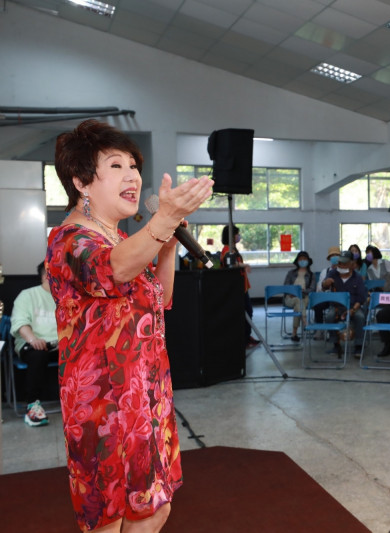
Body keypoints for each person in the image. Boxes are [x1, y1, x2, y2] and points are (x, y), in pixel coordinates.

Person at [46, 119, 213, 532]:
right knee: (110, 521)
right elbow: (114, 271)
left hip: (144, 399)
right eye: (116, 166)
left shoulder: (121, 239)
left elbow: (161, 298)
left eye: (134, 166)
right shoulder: (69, 241)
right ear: (81, 182)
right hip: (104, 408)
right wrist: (161, 223)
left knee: (155, 510)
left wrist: (168, 242)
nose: (133, 176)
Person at [10, 261, 58, 427]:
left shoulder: (66, 298)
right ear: (46, 276)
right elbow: (20, 323)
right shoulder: (27, 295)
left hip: (58, 344)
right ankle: (32, 406)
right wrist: (33, 339)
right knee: (38, 355)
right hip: (32, 343)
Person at [321, 250, 367, 355]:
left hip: (353, 306)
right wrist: (325, 283)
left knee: (360, 316)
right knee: (329, 316)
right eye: (340, 263)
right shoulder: (332, 273)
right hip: (337, 306)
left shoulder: (357, 278)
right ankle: (335, 344)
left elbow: (361, 298)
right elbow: (324, 287)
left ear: (352, 264)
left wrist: (353, 310)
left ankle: (359, 346)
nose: (341, 266)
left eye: (345, 263)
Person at [221, 225, 258, 348]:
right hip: (235, 288)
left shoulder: (233, 249)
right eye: (237, 234)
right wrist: (244, 265)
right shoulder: (227, 250)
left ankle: (247, 336)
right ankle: (244, 339)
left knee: (248, 312)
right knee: (245, 312)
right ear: (231, 236)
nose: (239, 236)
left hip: (242, 286)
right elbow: (229, 263)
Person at [283, 251, 314, 342]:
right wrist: (293, 292)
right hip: (290, 297)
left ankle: (294, 333)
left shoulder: (311, 275)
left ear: (308, 261)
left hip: (305, 297)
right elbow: (286, 286)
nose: (302, 261)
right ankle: (305, 321)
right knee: (298, 301)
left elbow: (312, 289)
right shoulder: (291, 273)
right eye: (300, 259)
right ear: (297, 261)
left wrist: (302, 292)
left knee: (298, 305)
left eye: (304, 259)